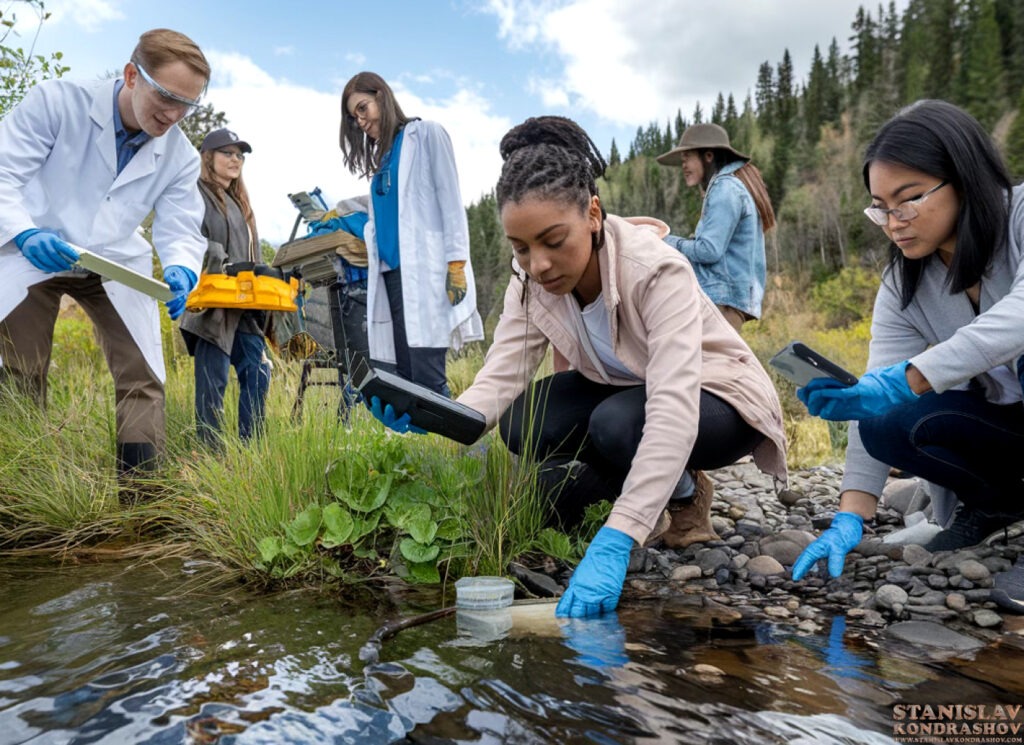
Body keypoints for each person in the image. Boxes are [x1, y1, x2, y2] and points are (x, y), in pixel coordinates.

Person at [375, 116, 787, 618]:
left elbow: (674, 405)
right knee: (525, 422)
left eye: (553, 241)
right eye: (521, 247)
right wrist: (435, 416)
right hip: (622, 391)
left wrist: (618, 537)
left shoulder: (656, 270)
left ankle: (683, 496)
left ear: (592, 213)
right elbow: (501, 375)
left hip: (717, 397)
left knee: (616, 426)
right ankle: (635, 491)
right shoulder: (528, 281)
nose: (538, 264)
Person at [792, 100, 1024, 583]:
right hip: (1008, 429)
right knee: (884, 421)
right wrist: (852, 514)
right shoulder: (904, 285)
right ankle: (997, 505)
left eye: (909, 199)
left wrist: (910, 379)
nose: (894, 221)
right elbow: (878, 391)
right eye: (880, 208)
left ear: (964, 178)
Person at [0, 28, 208, 498]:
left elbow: (180, 226)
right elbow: (3, 171)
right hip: (36, 248)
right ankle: (23, 496)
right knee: (20, 369)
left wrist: (180, 268)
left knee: (144, 376)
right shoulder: (56, 103)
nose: (174, 115)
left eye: (187, 105)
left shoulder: (181, 156)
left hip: (112, 259)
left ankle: (142, 502)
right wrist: (25, 232)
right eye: (168, 96)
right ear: (133, 75)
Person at [338, 72, 483, 396]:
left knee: (428, 376)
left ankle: (454, 441)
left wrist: (456, 262)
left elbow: (450, 201)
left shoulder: (426, 135)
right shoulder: (383, 163)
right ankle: (416, 444)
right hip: (389, 278)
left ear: (381, 96)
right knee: (401, 378)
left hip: (423, 275)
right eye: (354, 116)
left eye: (363, 108)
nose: (360, 121)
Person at [180, 128, 271, 446]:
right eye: (227, 153)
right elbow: (186, 239)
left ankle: (253, 450)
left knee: (259, 372)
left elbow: (253, 253)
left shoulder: (242, 203)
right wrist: (217, 260)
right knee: (212, 383)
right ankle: (209, 456)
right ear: (208, 157)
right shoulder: (195, 193)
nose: (236, 160)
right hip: (212, 304)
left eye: (239, 155)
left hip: (245, 305)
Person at [656, 123, 775, 332]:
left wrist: (663, 240)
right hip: (726, 301)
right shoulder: (732, 186)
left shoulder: (725, 188)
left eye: (687, 158)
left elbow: (708, 250)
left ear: (708, 156)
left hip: (721, 302)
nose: (683, 166)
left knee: (702, 364)